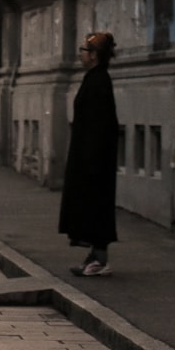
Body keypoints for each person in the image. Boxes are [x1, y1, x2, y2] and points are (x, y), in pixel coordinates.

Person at [58, 31, 119, 277]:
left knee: (95, 206)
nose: (81, 54)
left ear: (94, 55)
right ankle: (95, 256)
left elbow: (100, 124)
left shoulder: (99, 81)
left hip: (93, 159)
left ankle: (99, 259)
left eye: (84, 50)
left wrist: (90, 159)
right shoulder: (94, 78)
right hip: (88, 155)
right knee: (90, 206)